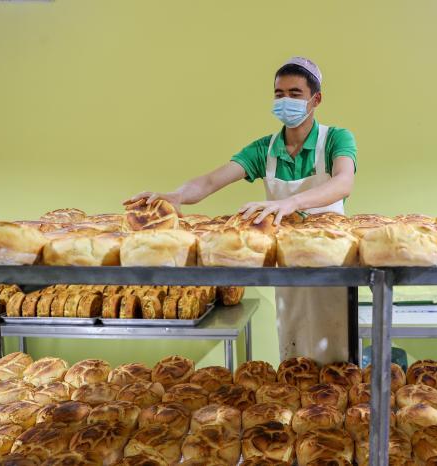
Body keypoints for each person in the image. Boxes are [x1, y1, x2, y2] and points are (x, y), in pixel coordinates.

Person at [125, 57, 357, 364]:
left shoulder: (336, 139)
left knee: (337, 356)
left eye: (295, 94)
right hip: (289, 266)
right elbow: (210, 181)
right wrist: (175, 195)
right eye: (279, 94)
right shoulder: (265, 149)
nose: (285, 100)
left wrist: (290, 203)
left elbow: (343, 182)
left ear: (316, 99)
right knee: (295, 349)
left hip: (334, 266)